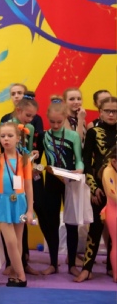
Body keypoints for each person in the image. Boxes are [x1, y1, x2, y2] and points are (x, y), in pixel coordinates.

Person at [75, 96, 117, 282]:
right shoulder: (93, 132)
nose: (111, 114)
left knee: (115, 231)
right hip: (99, 188)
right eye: (107, 111)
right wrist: (93, 188)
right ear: (100, 113)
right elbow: (86, 162)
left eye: (115, 111)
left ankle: (112, 267)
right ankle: (87, 268)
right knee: (95, 229)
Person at [0, 122, 34, 287]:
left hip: (19, 201)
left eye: (10, 136)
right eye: (3, 136)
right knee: (11, 242)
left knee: (18, 241)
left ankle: (14, 273)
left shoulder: (25, 161)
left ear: (18, 138)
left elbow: (28, 186)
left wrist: (30, 209)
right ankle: (22, 276)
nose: (6, 139)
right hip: (2, 202)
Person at [40, 101, 84, 276]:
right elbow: (38, 160)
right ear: (47, 118)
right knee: (52, 223)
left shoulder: (73, 136)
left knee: (71, 223)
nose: (56, 125)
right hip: (52, 181)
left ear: (65, 117)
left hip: (70, 180)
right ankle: (53, 263)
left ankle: (72, 264)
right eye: (52, 122)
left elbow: (79, 159)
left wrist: (79, 169)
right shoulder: (45, 136)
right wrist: (37, 166)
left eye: (59, 122)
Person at [100, 146, 117, 282]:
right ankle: (116, 274)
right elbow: (112, 194)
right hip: (113, 211)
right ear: (114, 161)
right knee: (116, 243)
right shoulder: (108, 172)